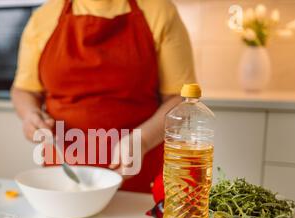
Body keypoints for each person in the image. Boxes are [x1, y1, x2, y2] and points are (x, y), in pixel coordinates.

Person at [11, 0, 196, 193]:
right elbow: (24, 89)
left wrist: (143, 140)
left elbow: (180, 98)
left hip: (139, 172)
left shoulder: (159, 10)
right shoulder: (44, 17)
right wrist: (29, 114)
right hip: (62, 177)